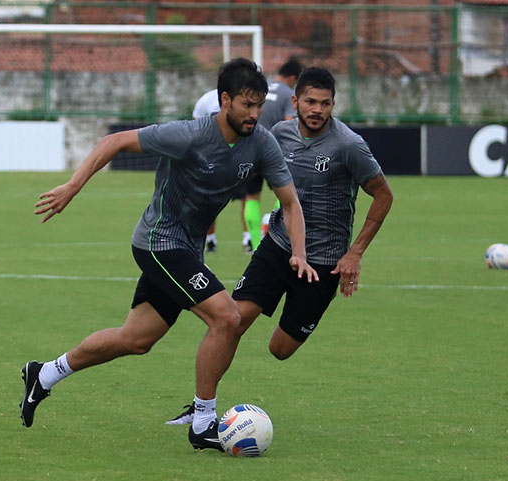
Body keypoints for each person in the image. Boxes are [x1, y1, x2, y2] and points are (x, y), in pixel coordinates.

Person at [21, 58, 318, 452]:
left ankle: (44, 375)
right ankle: (203, 421)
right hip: (158, 242)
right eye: (247, 105)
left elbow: (290, 203)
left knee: (136, 339)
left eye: (259, 105)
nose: (255, 114)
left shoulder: (260, 143)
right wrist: (73, 186)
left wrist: (299, 252)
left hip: (186, 250)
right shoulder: (189, 135)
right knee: (226, 317)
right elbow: (115, 141)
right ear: (224, 100)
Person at [167, 66, 393, 425]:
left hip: (323, 264)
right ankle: (201, 410)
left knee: (280, 350)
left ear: (333, 105)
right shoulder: (279, 134)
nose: (317, 109)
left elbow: (383, 195)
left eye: (325, 103)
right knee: (232, 322)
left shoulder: (349, 145)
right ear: (295, 101)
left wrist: (356, 252)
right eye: (310, 101)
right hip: (277, 247)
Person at [243, 57, 303, 252]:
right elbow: (289, 122)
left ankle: (253, 243)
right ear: (293, 77)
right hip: (274, 152)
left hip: (250, 149)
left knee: (252, 197)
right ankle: (277, 237)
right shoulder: (288, 93)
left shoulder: (261, 88)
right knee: (284, 195)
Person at [191, 88, 227, 253]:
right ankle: (210, 239)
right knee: (207, 200)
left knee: (248, 199)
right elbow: (195, 122)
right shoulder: (207, 99)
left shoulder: (242, 102)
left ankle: (249, 237)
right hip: (209, 159)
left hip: (236, 156)